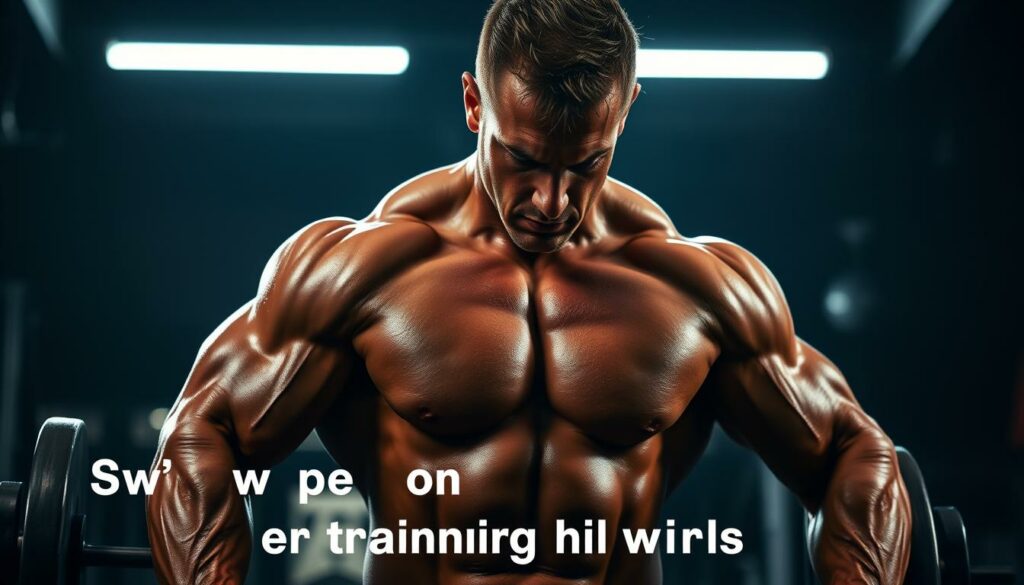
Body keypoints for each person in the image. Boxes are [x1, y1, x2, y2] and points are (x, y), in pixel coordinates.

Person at [146, 1, 911, 583]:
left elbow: (853, 449)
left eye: (586, 164)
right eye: (522, 159)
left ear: (627, 111)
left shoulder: (695, 287)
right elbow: (199, 437)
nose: (550, 200)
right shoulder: (366, 269)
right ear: (475, 104)